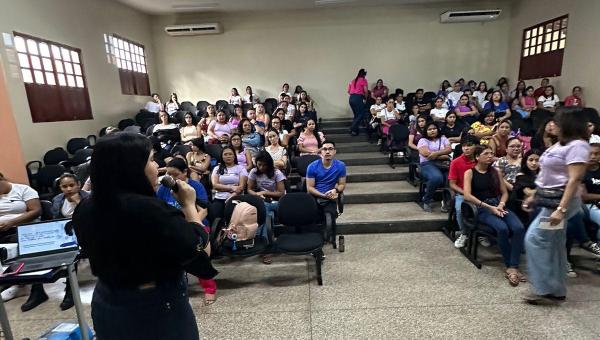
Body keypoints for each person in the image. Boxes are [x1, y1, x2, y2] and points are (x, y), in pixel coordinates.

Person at [71, 132, 214, 339]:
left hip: (106, 300)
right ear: (132, 168)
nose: (157, 167)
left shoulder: (85, 208)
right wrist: (189, 205)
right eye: (150, 160)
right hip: (154, 307)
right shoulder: (152, 211)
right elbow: (201, 252)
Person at [522, 107, 590, 305]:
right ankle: (557, 289)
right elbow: (547, 176)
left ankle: (543, 288)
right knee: (555, 244)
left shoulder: (578, 145)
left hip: (560, 204)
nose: (552, 124)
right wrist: (534, 195)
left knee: (535, 240)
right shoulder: (560, 144)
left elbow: (574, 179)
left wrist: (561, 210)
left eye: (557, 122)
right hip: (549, 200)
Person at [155, 158, 216, 306]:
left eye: (175, 174)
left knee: (198, 250)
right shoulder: (164, 188)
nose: (172, 178)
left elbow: (204, 210)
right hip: (174, 227)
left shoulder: (194, 186)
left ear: (184, 172)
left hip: (196, 224)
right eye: (168, 174)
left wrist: (191, 223)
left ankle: (210, 289)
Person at [463, 145, 525, 286]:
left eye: (491, 153)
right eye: (486, 154)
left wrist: (501, 205)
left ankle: (512, 266)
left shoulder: (496, 171)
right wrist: (489, 207)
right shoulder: (470, 172)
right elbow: (467, 195)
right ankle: (511, 266)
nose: (490, 156)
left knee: (518, 227)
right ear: (477, 157)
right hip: (482, 207)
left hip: (498, 204)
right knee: (502, 229)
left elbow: (504, 192)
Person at [0, 172, 45, 312]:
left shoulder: (23, 190)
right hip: (3, 231)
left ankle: (38, 291)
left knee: (21, 245)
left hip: (24, 229)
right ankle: (12, 282)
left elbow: (36, 211)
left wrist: (11, 222)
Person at [47, 173, 90, 310]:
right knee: (66, 250)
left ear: (78, 184)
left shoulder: (88, 197)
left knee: (74, 251)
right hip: (67, 233)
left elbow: (94, 218)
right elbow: (56, 220)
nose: (68, 189)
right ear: (60, 187)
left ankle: (70, 291)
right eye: (64, 186)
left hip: (87, 232)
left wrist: (79, 203)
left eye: (71, 185)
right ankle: (68, 285)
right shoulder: (58, 200)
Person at [247, 151, 286, 264]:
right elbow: (249, 189)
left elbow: (281, 193)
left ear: (269, 164)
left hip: (277, 201)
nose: (262, 167)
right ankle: (267, 248)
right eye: (259, 164)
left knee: (266, 214)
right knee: (269, 216)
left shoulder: (276, 172)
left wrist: (264, 192)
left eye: (264, 165)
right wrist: (257, 194)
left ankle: (261, 243)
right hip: (262, 200)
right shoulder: (254, 172)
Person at [306, 141, 346, 239]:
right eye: (324, 149)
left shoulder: (340, 165)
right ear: (321, 152)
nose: (327, 151)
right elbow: (310, 188)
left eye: (330, 149)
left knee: (331, 215)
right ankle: (312, 238)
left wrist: (335, 190)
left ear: (335, 151)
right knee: (311, 216)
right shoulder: (312, 166)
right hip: (314, 195)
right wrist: (323, 195)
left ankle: (330, 237)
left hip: (330, 195)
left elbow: (342, 184)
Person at [449, 135, 479, 248]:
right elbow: (452, 184)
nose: (466, 148)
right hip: (462, 193)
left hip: (480, 192)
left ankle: (482, 234)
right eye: (464, 146)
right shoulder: (456, 162)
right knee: (459, 209)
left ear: (476, 147)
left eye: (469, 145)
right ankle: (464, 233)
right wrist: (465, 192)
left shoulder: (480, 160)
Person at [417, 122, 452, 212]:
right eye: (429, 129)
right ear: (426, 131)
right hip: (427, 164)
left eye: (434, 128)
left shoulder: (443, 138)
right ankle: (426, 200)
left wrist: (436, 154)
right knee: (437, 178)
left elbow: (449, 149)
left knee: (451, 179)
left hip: (443, 164)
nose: (432, 131)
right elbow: (425, 154)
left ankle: (446, 202)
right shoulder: (423, 140)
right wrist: (444, 155)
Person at [210, 146, 248, 219]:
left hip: (236, 197)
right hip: (219, 198)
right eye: (225, 154)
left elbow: (241, 187)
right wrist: (232, 187)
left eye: (230, 154)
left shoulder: (241, 168)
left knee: (231, 215)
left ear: (234, 156)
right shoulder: (217, 168)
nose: (228, 156)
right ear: (222, 157)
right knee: (214, 215)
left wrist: (231, 196)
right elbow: (215, 185)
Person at [509, 149, 541, 226]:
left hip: (538, 204)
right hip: (523, 209)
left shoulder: (542, 174)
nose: (534, 163)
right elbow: (529, 192)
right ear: (525, 161)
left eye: (537, 160)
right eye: (531, 160)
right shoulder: (521, 176)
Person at [347, 68, 368, 136]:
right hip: (358, 98)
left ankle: (355, 131)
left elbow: (348, 91)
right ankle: (352, 128)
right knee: (361, 114)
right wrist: (365, 98)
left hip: (351, 98)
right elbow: (366, 91)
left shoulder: (353, 80)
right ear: (364, 74)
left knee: (356, 115)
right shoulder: (363, 80)